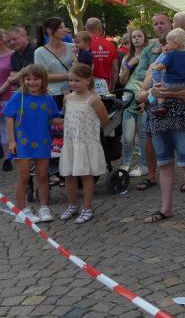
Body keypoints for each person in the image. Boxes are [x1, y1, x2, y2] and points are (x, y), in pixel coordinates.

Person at [136, 56, 185, 230]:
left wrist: (166, 92)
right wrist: (151, 92)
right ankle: (166, 209)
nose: (167, 47)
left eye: (170, 44)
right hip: (158, 122)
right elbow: (140, 95)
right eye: (164, 44)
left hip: (182, 120)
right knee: (164, 165)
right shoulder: (154, 65)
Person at [5, 64, 59, 223]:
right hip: (22, 142)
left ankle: (44, 207)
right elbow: (9, 117)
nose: (32, 82)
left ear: (43, 80)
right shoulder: (19, 97)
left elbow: (54, 118)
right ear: (23, 80)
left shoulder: (48, 99)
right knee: (23, 177)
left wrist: (71, 116)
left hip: (42, 141)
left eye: (36, 79)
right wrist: (12, 141)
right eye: (28, 79)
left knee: (43, 175)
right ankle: (21, 211)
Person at [58, 63, 110, 224]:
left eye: (77, 80)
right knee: (68, 175)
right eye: (70, 80)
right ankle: (72, 204)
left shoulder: (93, 99)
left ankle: (87, 208)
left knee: (86, 176)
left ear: (88, 80)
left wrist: (91, 133)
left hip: (86, 143)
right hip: (70, 143)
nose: (73, 83)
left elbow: (105, 121)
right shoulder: (67, 98)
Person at [131, 13, 173, 190]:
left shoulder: (181, 43)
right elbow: (140, 72)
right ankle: (151, 175)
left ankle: (183, 175)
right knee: (149, 137)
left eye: (162, 23)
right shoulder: (149, 49)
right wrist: (154, 71)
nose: (159, 26)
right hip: (153, 96)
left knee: (180, 139)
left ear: (170, 24)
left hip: (178, 97)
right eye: (155, 24)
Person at [148, 28, 185, 124]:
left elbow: (161, 66)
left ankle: (161, 105)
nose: (166, 46)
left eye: (168, 43)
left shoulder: (171, 56)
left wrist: (156, 68)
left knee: (160, 88)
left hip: (171, 84)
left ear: (175, 44)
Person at [117, 28, 148, 172]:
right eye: (133, 37)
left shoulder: (150, 57)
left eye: (139, 36)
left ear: (145, 38)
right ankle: (126, 163)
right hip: (128, 98)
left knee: (143, 135)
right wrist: (129, 65)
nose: (136, 39)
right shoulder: (126, 58)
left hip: (145, 98)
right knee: (127, 136)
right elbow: (122, 81)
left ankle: (143, 165)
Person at [34, 17, 74, 103]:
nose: (65, 30)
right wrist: (70, 75)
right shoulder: (39, 52)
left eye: (64, 27)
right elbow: (44, 76)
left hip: (74, 92)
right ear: (49, 30)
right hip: (52, 95)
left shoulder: (72, 47)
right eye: (60, 27)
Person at [84, 17, 118, 92]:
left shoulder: (82, 45)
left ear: (86, 29)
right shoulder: (110, 45)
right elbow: (115, 70)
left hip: (85, 86)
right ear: (100, 29)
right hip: (105, 86)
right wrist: (111, 88)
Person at [0, 30, 14, 170]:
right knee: (1, 128)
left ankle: (9, 156)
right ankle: (5, 156)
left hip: (7, 96)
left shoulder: (12, 55)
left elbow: (12, 77)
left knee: (8, 126)